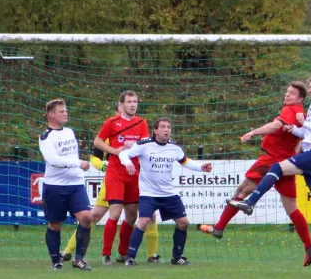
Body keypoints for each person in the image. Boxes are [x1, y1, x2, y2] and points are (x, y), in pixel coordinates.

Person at [228, 74, 311, 266]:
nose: (309, 90)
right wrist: (295, 130)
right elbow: (308, 133)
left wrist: (304, 123)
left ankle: (250, 202)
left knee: (277, 166)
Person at [197, 82, 311, 266]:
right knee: (292, 208)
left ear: (300, 98)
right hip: (286, 164)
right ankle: (309, 247)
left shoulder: (292, 109)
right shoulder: (300, 113)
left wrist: (253, 132)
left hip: (271, 160)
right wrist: (297, 155)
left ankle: (219, 228)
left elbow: (274, 126)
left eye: (292, 93)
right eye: (287, 92)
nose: (287, 95)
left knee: (242, 190)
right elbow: (301, 138)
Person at [60, 102, 161, 264]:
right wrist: (104, 166)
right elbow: (95, 157)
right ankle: (67, 251)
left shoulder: (139, 128)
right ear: (117, 112)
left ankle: (151, 254)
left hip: (135, 178)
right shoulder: (110, 132)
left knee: (149, 215)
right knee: (94, 216)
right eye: (123, 109)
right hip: (113, 179)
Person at [118, 118, 212, 266]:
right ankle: (130, 257)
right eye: (163, 127)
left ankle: (176, 257)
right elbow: (123, 154)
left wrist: (201, 167)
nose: (166, 130)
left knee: (183, 223)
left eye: (169, 127)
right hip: (148, 193)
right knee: (143, 221)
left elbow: (185, 162)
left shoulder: (174, 148)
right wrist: (128, 163)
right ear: (155, 130)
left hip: (168, 193)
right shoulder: (144, 144)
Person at [94, 91, 150, 265]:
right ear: (121, 104)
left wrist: (136, 145)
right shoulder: (111, 122)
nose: (133, 105)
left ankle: (123, 252)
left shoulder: (142, 123)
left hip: (134, 173)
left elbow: (147, 144)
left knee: (132, 215)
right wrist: (115, 151)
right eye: (129, 102)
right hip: (116, 173)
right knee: (115, 212)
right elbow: (97, 142)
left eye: (135, 102)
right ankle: (106, 254)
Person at [38, 98, 93, 271]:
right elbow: (53, 160)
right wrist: (78, 163)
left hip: (75, 184)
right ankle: (56, 261)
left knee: (86, 217)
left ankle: (79, 259)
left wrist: (78, 168)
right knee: (55, 224)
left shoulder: (69, 132)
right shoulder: (45, 137)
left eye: (66, 110)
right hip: (55, 186)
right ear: (51, 115)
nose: (65, 113)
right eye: (61, 111)